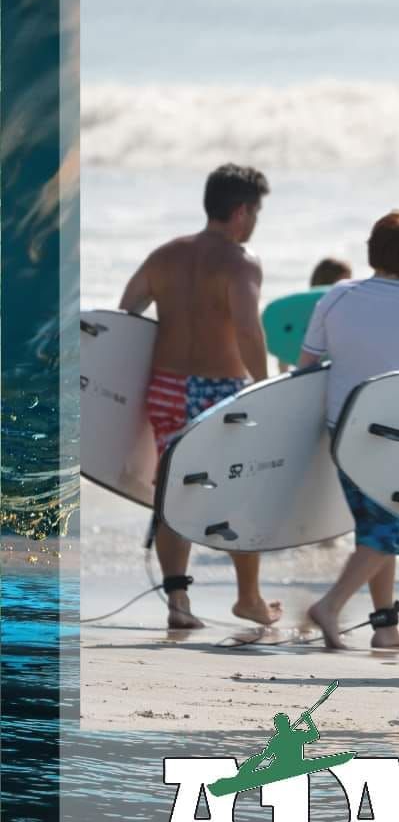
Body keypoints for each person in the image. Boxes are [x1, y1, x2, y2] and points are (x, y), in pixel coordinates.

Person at [119, 163, 280, 632]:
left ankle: (178, 601)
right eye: (256, 210)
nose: (255, 221)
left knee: (173, 491)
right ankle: (248, 599)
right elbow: (249, 329)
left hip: (167, 387)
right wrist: (264, 383)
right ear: (240, 210)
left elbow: (126, 313)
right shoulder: (240, 261)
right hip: (219, 392)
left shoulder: (165, 254)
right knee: (239, 489)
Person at [298, 211, 399, 651]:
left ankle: (385, 626)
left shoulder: (337, 296)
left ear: (372, 251)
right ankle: (330, 605)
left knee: (374, 528)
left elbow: (307, 363)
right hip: (396, 432)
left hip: (343, 429)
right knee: (390, 531)